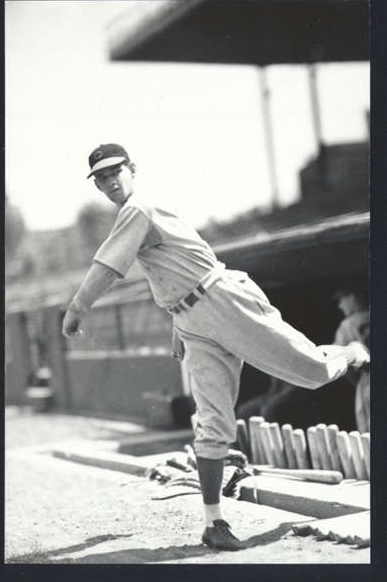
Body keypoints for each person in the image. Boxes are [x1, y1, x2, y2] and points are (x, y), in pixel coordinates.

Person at [62, 143, 370, 552]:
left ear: (132, 169)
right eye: (101, 178)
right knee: (212, 423)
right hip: (192, 317)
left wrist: (79, 304)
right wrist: (179, 322)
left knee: (312, 371)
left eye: (114, 171)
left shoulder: (140, 206)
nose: (109, 181)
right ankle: (215, 523)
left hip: (223, 299)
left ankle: (348, 351)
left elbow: (108, 268)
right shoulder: (135, 214)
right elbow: (171, 270)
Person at [333, 286, 370, 433]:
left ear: (353, 297)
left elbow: (339, 360)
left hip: (368, 379)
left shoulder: (347, 324)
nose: (340, 305)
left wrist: (357, 384)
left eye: (342, 299)